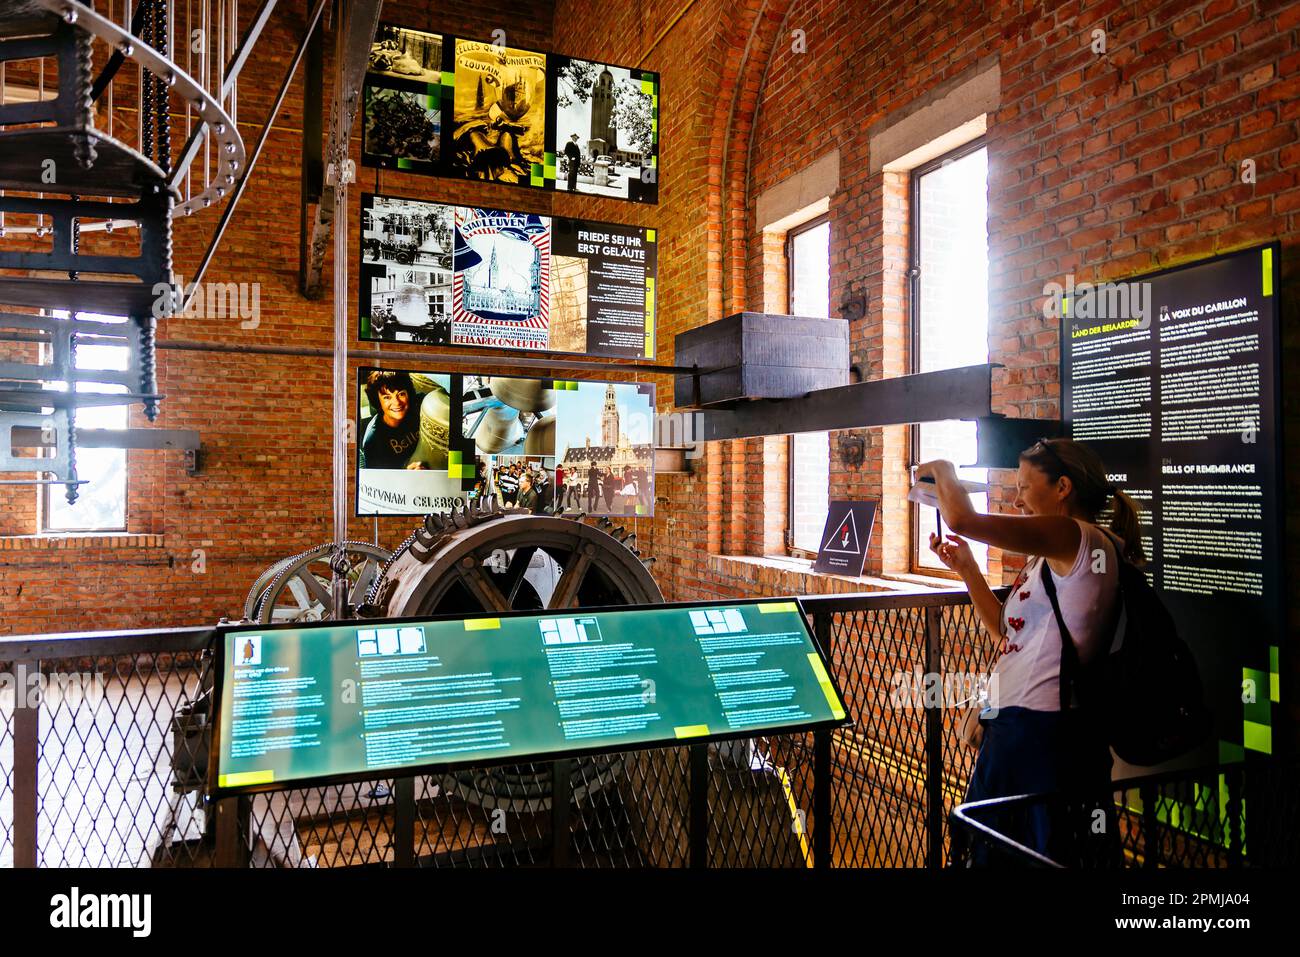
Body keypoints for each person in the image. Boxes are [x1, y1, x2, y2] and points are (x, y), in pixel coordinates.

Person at [918, 437, 1143, 865]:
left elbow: (962, 517)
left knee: (1028, 853)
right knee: (998, 848)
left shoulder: (1076, 536)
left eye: (1024, 486)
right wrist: (967, 568)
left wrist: (944, 469)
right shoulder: (1054, 556)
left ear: (1062, 487)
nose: (1018, 500)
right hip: (1018, 730)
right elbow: (1006, 630)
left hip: (1043, 735)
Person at [360, 370, 426, 470]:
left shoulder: (420, 404)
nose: (396, 403)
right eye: (387, 397)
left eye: (401, 394)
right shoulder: (373, 441)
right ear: (378, 401)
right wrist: (405, 473)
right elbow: (379, 481)